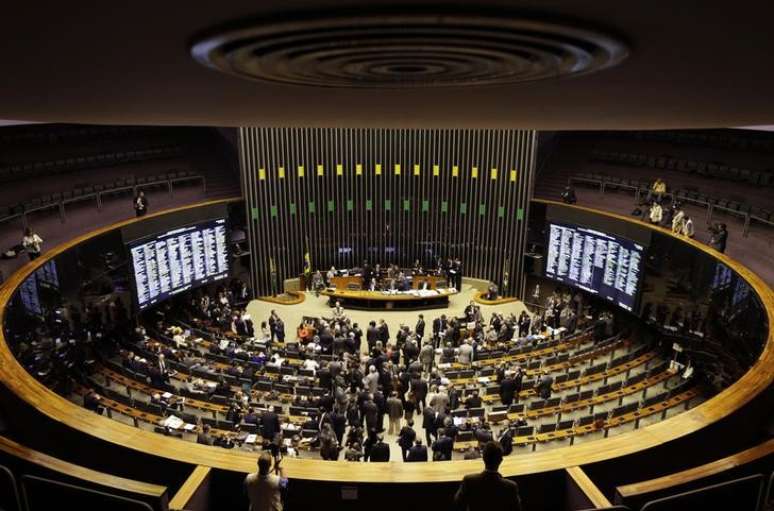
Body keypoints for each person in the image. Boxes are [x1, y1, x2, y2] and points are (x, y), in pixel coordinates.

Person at [454, 441, 522, 511]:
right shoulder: (511, 487)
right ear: (501, 460)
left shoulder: (468, 481)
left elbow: (458, 503)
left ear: (483, 458)